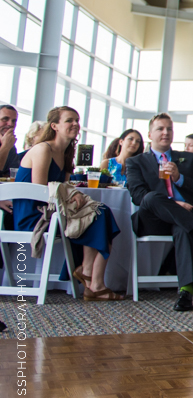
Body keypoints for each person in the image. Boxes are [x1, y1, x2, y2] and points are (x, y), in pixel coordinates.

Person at [16, 106, 123, 300]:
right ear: (54, 125)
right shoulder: (43, 149)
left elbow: (63, 185)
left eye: (77, 120)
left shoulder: (66, 153)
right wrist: (70, 195)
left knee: (100, 212)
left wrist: (72, 194)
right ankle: (92, 279)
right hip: (34, 214)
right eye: (69, 120)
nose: (75, 124)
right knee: (98, 214)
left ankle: (91, 277)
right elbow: (40, 191)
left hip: (53, 211)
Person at [125, 113, 193, 312]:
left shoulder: (187, 159)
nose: (165, 133)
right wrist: (175, 204)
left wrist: (179, 178)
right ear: (150, 134)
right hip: (153, 219)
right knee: (150, 197)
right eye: (160, 129)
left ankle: (186, 293)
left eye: (169, 129)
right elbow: (138, 196)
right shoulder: (136, 162)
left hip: (182, 221)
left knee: (183, 228)